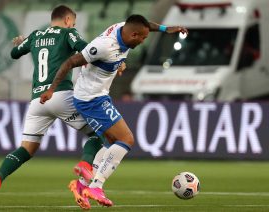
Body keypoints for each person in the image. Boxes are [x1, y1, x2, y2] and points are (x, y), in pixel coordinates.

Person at [0, 5, 118, 210]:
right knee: (97, 134)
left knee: (26, 149)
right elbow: (86, 50)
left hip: (37, 101)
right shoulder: (68, 33)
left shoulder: (35, 36)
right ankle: (85, 166)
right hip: (60, 94)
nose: (74, 25)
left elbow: (14, 52)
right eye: (74, 22)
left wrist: (24, 42)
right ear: (68, 20)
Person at [40, 14, 188, 208]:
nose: (143, 41)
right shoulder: (104, 46)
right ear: (133, 35)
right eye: (142, 38)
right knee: (126, 140)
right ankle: (96, 186)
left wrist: (164, 29)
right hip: (91, 99)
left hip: (98, 95)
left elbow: (145, 25)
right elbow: (70, 62)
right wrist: (51, 89)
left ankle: (82, 185)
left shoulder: (124, 28)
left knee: (111, 143)